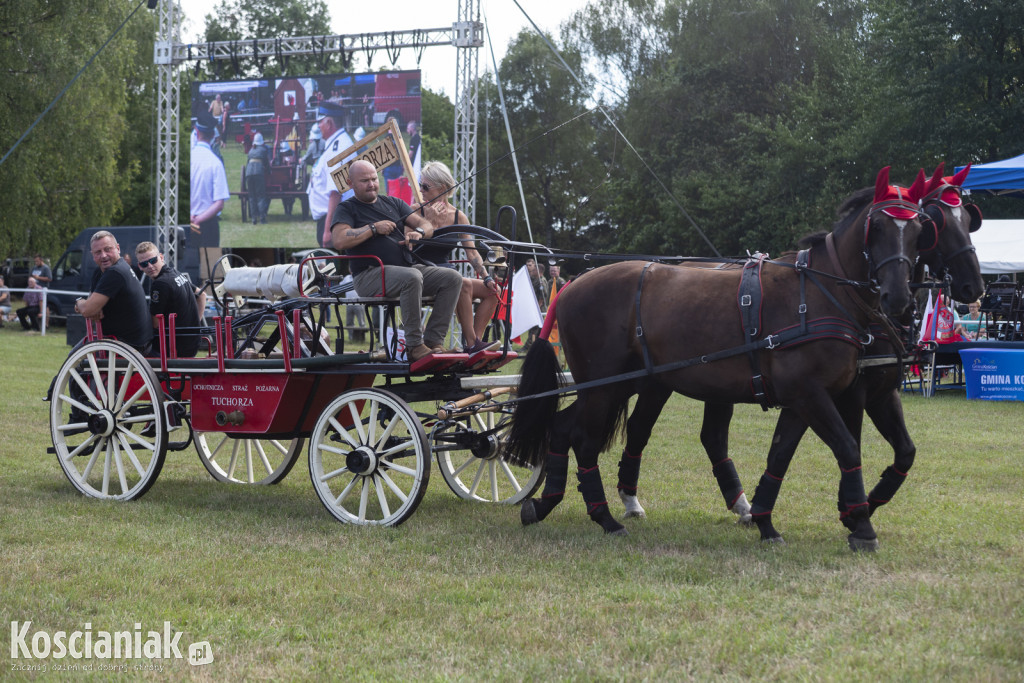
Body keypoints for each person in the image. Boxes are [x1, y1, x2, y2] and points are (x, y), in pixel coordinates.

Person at [330, 159, 462, 362]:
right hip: (369, 275)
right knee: (412, 276)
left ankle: (434, 342)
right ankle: (414, 346)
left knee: (452, 277)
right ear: (350, 183)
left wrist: (418, 232)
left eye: (374, 179)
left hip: (406, 271)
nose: (372, 184)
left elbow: (426, 225)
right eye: (365, 180)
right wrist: (373, 228)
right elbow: (339, 240)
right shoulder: (347, 209)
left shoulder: (394, 203)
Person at [413, 161, 499, 353]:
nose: (421, 190)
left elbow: (472, 252)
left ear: (442, 188)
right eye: (420, 185)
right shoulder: (415, 212)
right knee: (462, 282)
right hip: (422, 273)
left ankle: (475, 340)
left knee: (493, 291)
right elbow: (409, 248)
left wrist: (486, 277)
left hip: (448, 272)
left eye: (425, 186)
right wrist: (428, 222)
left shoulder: (458, 217)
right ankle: (472, 344)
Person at [73, 231, 152, 355]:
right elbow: (93, 311)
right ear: (92, 255)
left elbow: (87, 310)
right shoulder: (100, 272)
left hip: (129, 345)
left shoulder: (116, 272)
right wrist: (91, 307)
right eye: (98, 252)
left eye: (108, 249)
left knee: (75, 357)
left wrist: (79, 301)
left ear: (118, 248)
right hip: (123, 342)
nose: (104, 255)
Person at [136, 242, 205, 357]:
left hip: (175, 348)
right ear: (139, 266)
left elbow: (155, 323)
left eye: (153, 261)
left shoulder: (160, 284)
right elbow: (201, 295)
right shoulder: (174, 273)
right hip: (192, 343)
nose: (150, 266)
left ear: (161, 257)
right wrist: (194, 327)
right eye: (144, 264)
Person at [308, 102, 355, 248]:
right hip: (334, 218)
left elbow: (336, 191)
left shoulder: (339, 147)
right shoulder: (337, 143)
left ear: (328, 123)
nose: (318, 126)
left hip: (335, 220)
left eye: (320, 122)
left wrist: (328, 230)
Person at [190, 113, 230, 245]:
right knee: (211, 263)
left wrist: (193, 219)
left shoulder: (188, 159)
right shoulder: (215, 163)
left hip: (188, 223)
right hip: (208, 225)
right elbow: (219, 204)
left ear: (196, 131)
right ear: (213, 135)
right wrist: (199, 219)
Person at [245, 132, 271, 224]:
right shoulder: (263, 150)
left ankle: (253, 218)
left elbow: (247, 163)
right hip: (258, 172)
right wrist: (269, 171)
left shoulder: (251, 151)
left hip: (249, 172)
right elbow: (266, 163)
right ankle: (262, 218)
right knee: (260, 195)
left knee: (252, 196)